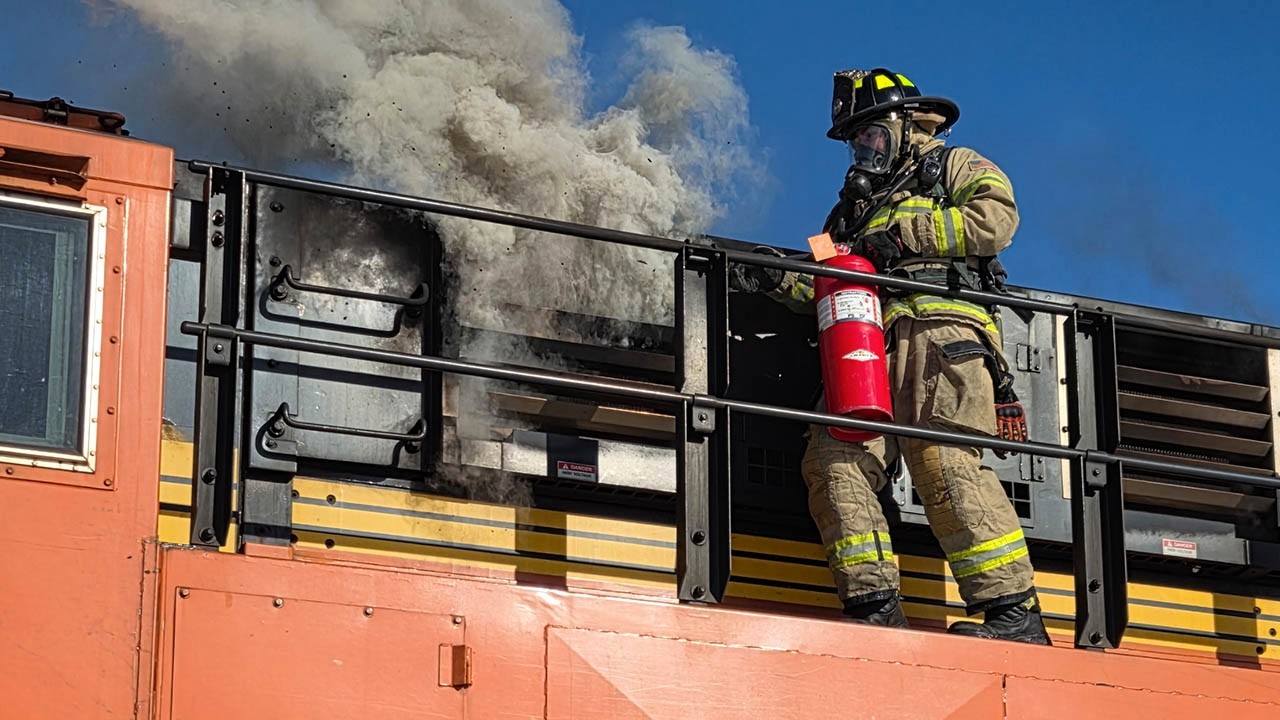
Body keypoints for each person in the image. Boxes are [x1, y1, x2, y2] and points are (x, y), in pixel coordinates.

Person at [729, 68, 1049, 645]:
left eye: (872, 133)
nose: (863, 148)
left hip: (942, 335)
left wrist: (904, 238)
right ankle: (874, 609)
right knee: (832, 463)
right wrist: (779, 276)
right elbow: (825, 278)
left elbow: (996, 221)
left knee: (944, 464)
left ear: (907, 125)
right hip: (863, 351)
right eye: (856, 141)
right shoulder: (843, 216)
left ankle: (1014, 614)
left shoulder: (954, 166)